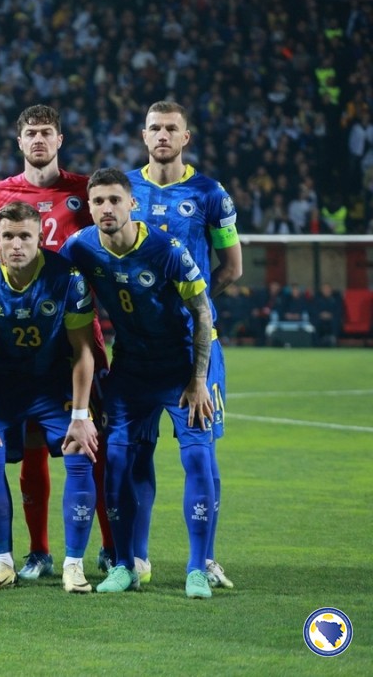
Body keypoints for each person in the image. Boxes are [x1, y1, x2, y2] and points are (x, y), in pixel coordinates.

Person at [0, 104, 115, 581]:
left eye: (47, 132)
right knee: (30, 447)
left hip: (76, 337)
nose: (39, 140)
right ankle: (38, 551)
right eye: (31, 133)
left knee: (91, 445)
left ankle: (110, 548)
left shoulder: (85, 191)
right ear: (19, 141)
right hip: (14, 342)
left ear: (59, 139)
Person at [60, 168, 217, 599]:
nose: (107, 208)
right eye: (98, 201)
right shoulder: (81, 247)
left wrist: (198, 379)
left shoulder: (165, 249)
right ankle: (125, 564)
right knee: (118, 461)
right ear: (89, 207)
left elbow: (203, 312)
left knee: (197, 459)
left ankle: (197, 569)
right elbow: (49, 278)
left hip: (180, 367)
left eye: (115, 200)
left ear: (132, 203)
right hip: (130, 367)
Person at [126, 100, 240, 589]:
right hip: (138, 349)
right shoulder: (124, 189)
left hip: (195, 346)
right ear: (143, 135)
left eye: (171, 128)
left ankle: (206, 559)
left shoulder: (210, 193)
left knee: (201, 454)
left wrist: (196, 305)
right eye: (154, 128)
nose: (162, 135)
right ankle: (136, 559)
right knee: (136, 452)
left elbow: (231, 267)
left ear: (185, 137)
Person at [0, 201, 99, 592]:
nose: (16, 245)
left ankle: (74, 565)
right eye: (8, 237)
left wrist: (81, 415)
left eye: (25, 236)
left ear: (40, 238)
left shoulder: (66, 277)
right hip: (5, 384)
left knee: (79, 451)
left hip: (55, 382)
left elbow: (83, 350)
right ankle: (3, 563)